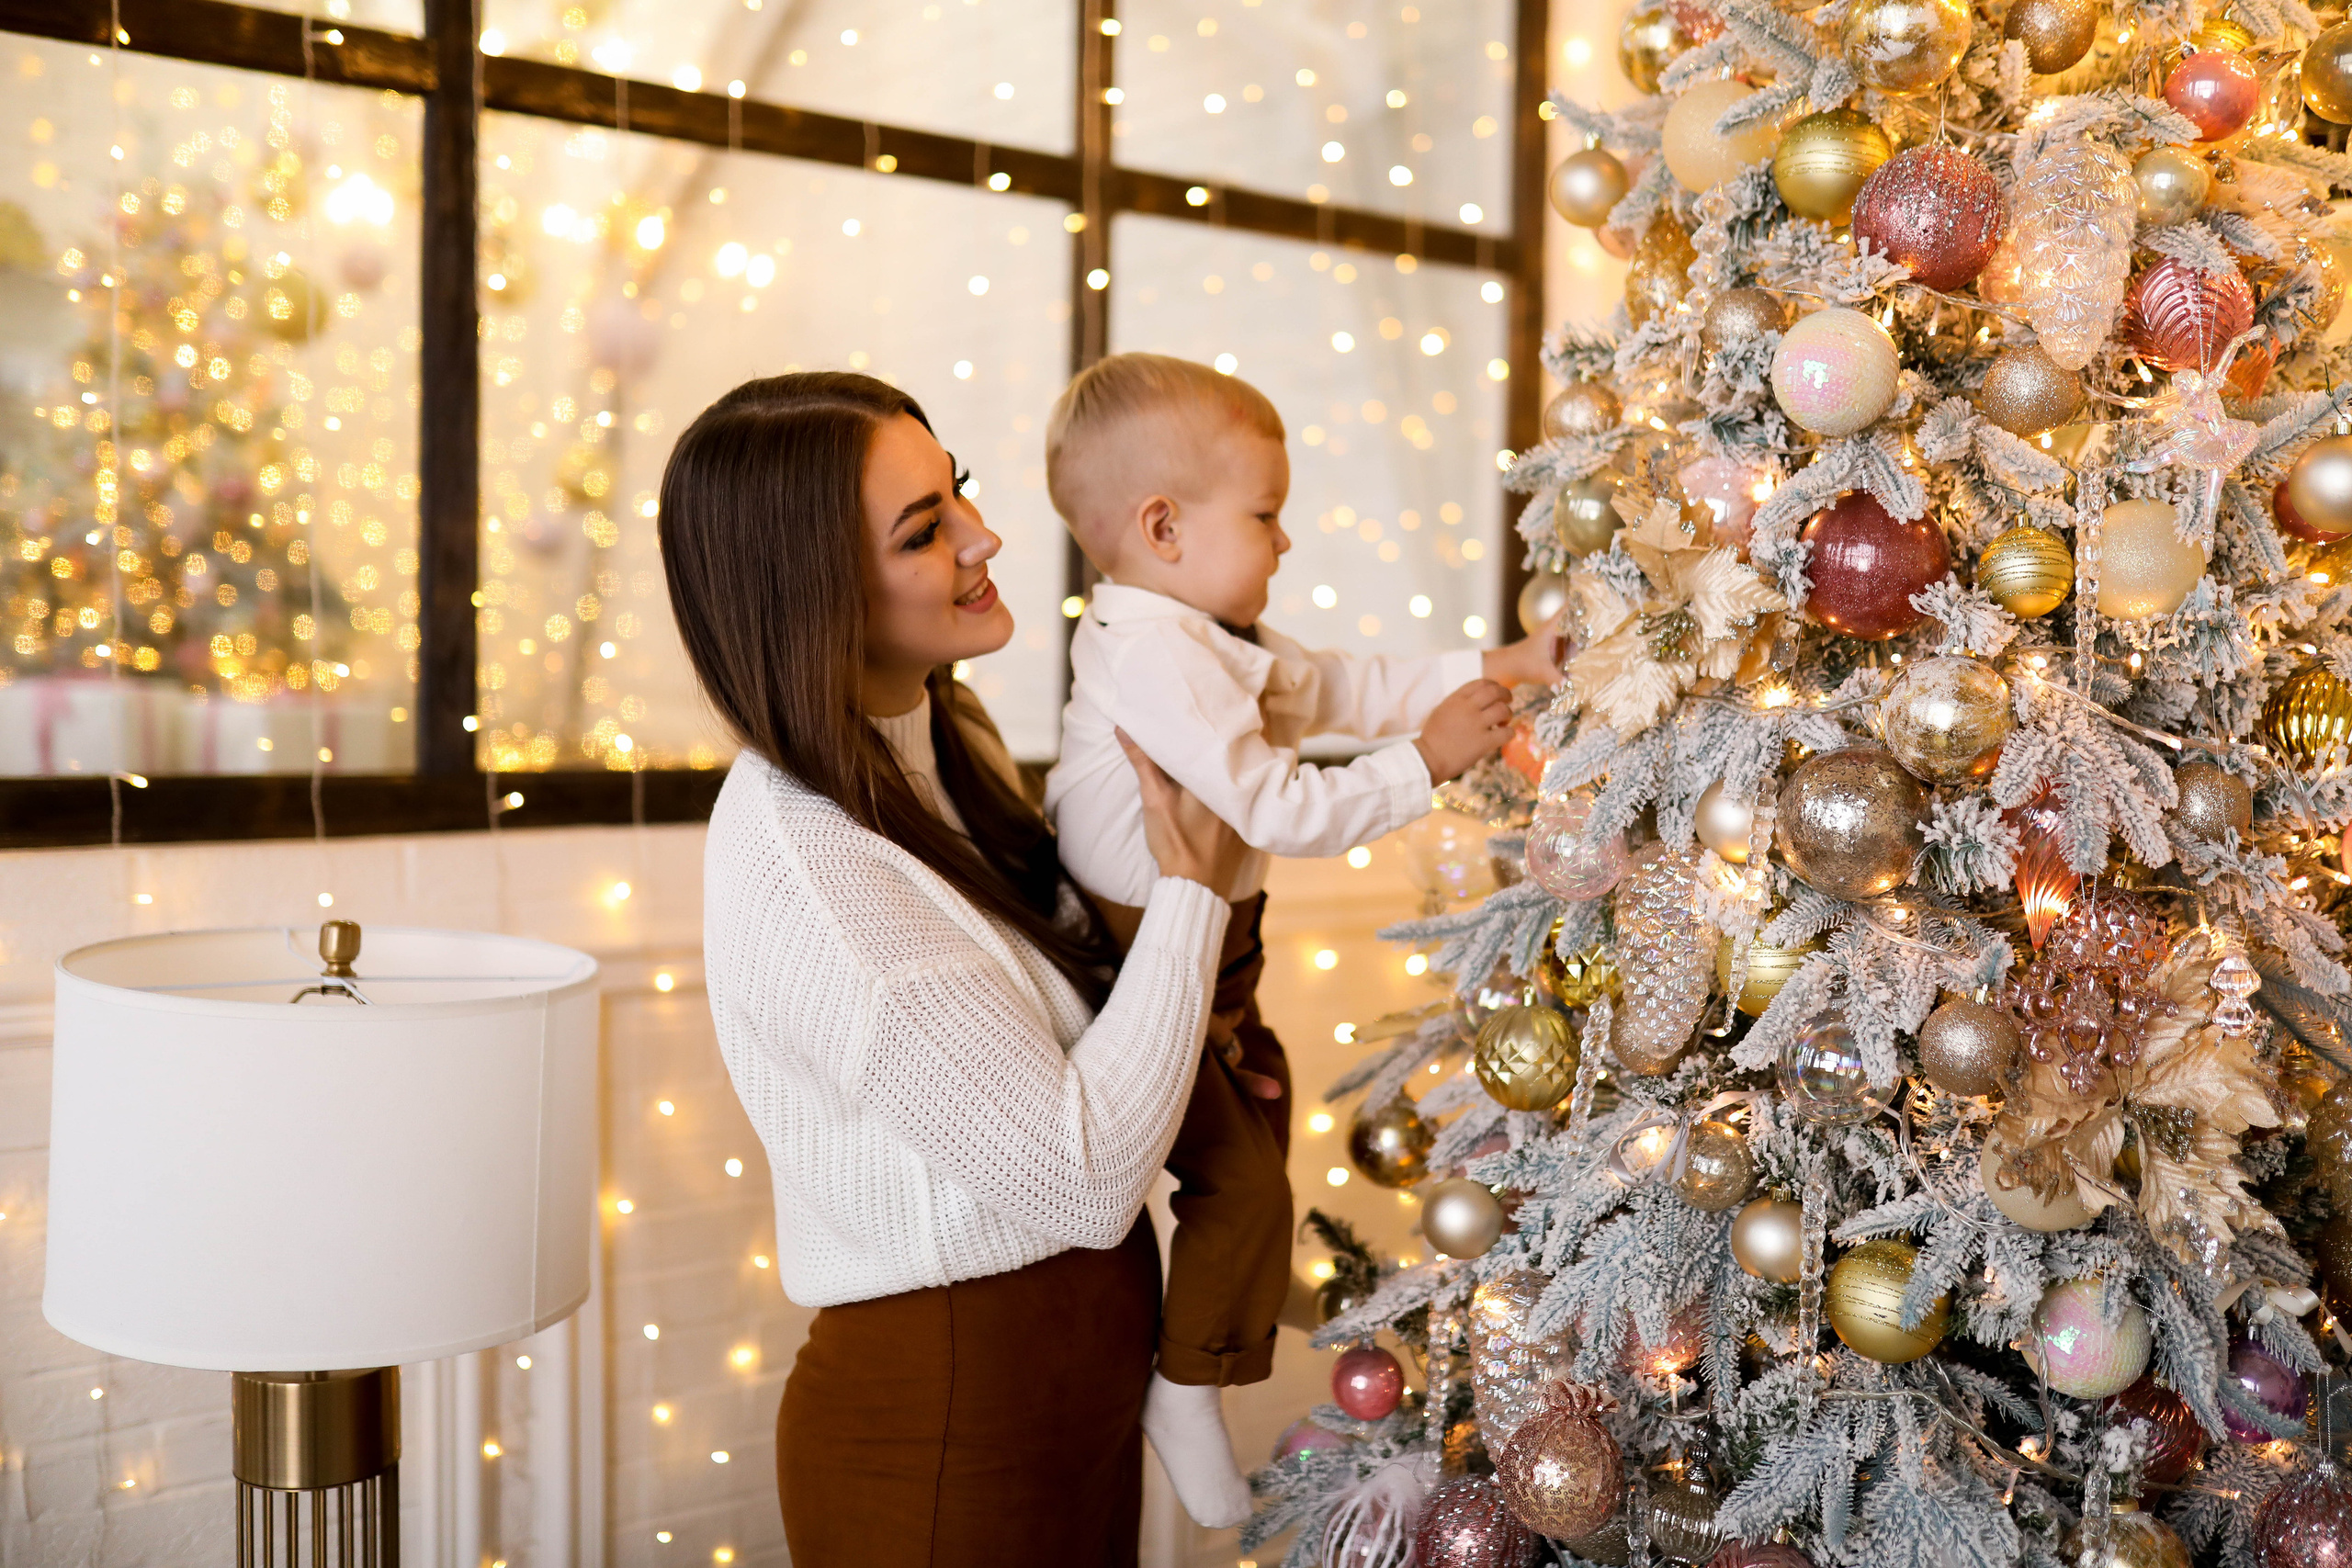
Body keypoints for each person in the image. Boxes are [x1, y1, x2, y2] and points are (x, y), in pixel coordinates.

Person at [660, 370, 1250, 1566]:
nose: (985, 538)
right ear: (810, 588)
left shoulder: (948, 732)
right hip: (947, 1420)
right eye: (925, 530)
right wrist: (1191, 888)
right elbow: (1078, 1174)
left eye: (958, 493)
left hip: (1070, 1392)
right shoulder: (807, 856)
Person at [1040, 352, 1560, 1527]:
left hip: (1212, 942)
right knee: (1234, 1178)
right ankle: (1187, 1384)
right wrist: (1422, 764)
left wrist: (1499, 669)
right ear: (1162, 527)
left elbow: (1336, 687)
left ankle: (1231, 1289)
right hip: (1139, 955)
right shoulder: (1155, 656)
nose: (1283, 543)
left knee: (1262, 1126)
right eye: (1266, 515)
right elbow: (1275, 803)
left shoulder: (1205, 632)